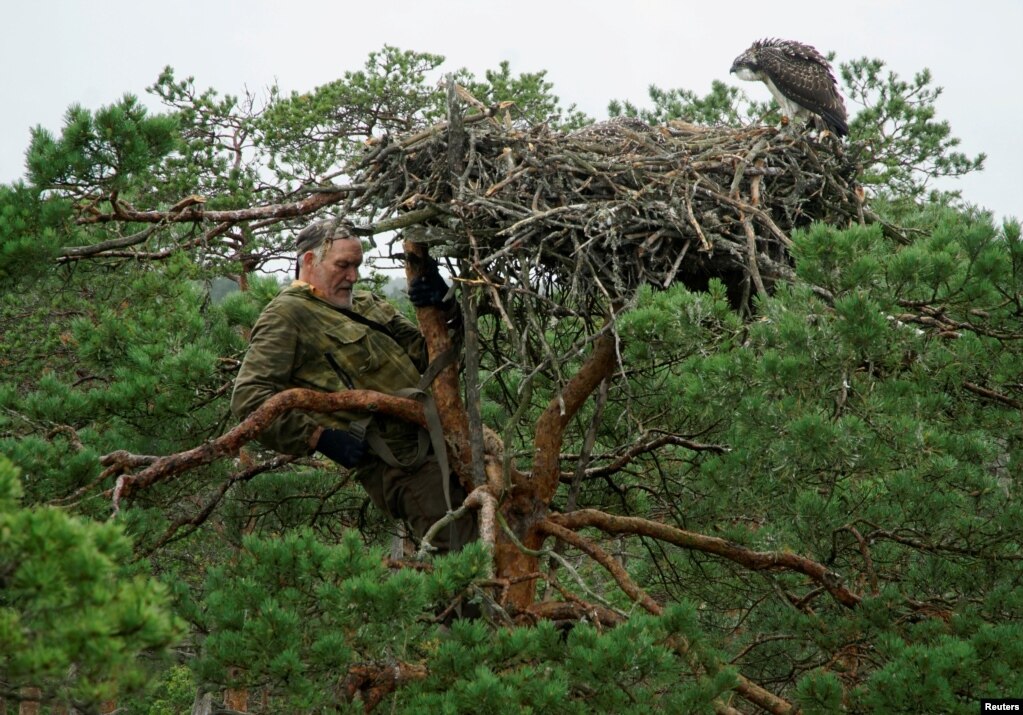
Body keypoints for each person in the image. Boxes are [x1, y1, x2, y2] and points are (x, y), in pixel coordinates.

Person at [231, 217, 475, 553]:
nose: (352, 276)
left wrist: (443, 304)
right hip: (402, 466)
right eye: (343, 265)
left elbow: (431, 357)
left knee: (504, 530)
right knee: (463, 559)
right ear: (309, 261)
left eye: (357, 265)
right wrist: (319, 437)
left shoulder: (365, 304)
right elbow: (249, 400)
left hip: (447, 437)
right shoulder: (287, 315)